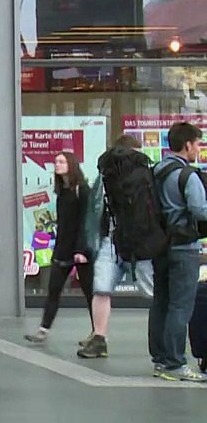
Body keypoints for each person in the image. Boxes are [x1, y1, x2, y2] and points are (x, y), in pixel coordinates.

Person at [79, 134, 154, 359]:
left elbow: (94, 211)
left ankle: (99, 338)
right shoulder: (146, 175)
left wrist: (90, 242)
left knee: (101, 289)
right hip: (140, 241)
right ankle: (168, 343)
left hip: (111, 241)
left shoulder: (105, 177)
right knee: (155, 293)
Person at [148, 122, 207, 382]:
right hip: (184, 247)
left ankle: (160, 359)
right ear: (187, 145)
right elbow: (199, 210)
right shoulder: (187, 175)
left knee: (161, 302)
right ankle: (175, 363)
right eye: (197, 144)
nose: (198, 149)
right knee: (181, 306)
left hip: (160, 245)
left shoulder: (156, 171)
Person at [25, 151, 95, 343]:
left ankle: (97, 332)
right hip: (63, 249)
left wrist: (81, 250)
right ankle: (43, 329)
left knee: (90, 293)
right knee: (53, 289)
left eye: (62, 161)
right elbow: (63, 224)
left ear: (71, 165)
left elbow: (86, 222)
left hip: (81, 250)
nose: (57, 165)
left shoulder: (82, 190)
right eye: (56, 162)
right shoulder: (62, 193)